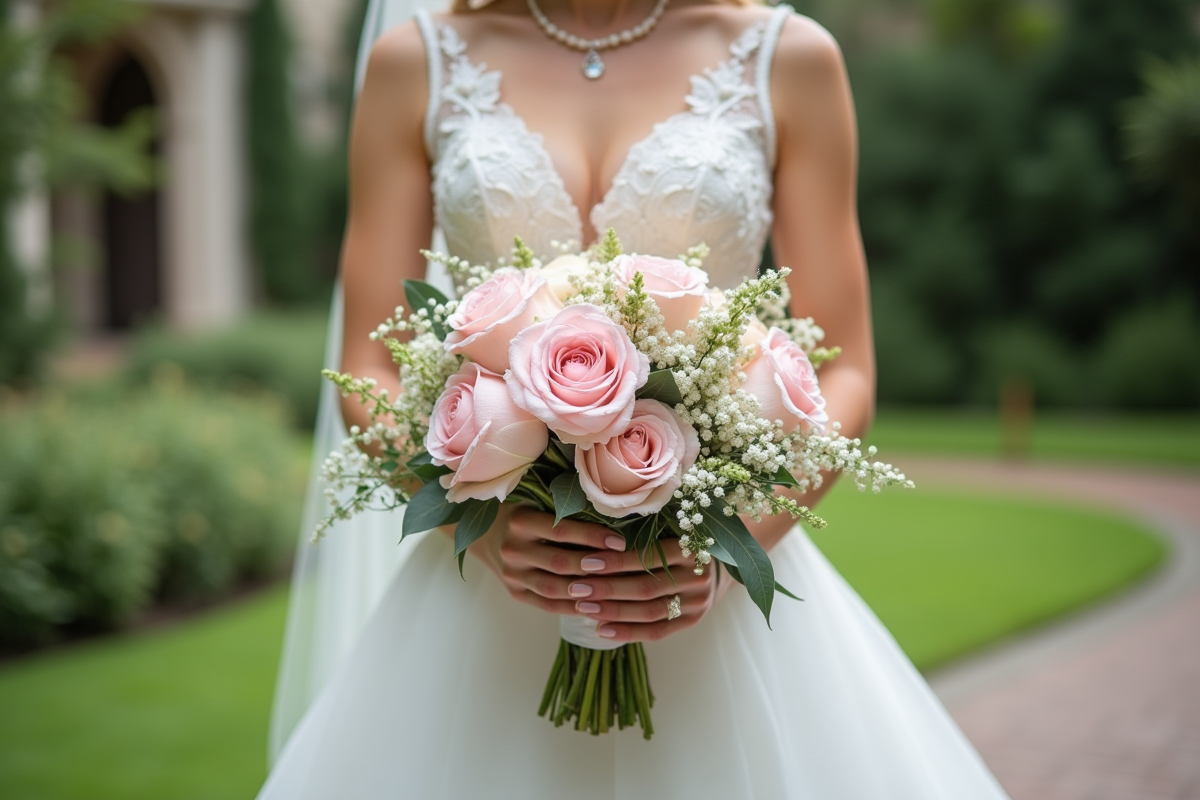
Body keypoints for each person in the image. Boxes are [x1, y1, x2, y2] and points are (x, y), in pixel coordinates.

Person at [258, 0, 1012, 797]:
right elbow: (367, 364)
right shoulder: (418, 62)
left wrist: (729, 549)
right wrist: (482, 531)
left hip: (704, 590)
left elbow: (847, 369)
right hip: (492, 593)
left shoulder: (788, 57)